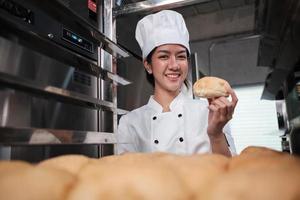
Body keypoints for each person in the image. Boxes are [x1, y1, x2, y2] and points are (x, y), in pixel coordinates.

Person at [117, 10, 238, 157]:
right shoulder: (130, 123)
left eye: (181, 56)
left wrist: (216, 134)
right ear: (148, 65)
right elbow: (125, 176)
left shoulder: (210, 112)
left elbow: (229, 171)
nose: (174, 65)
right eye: (164, 56)